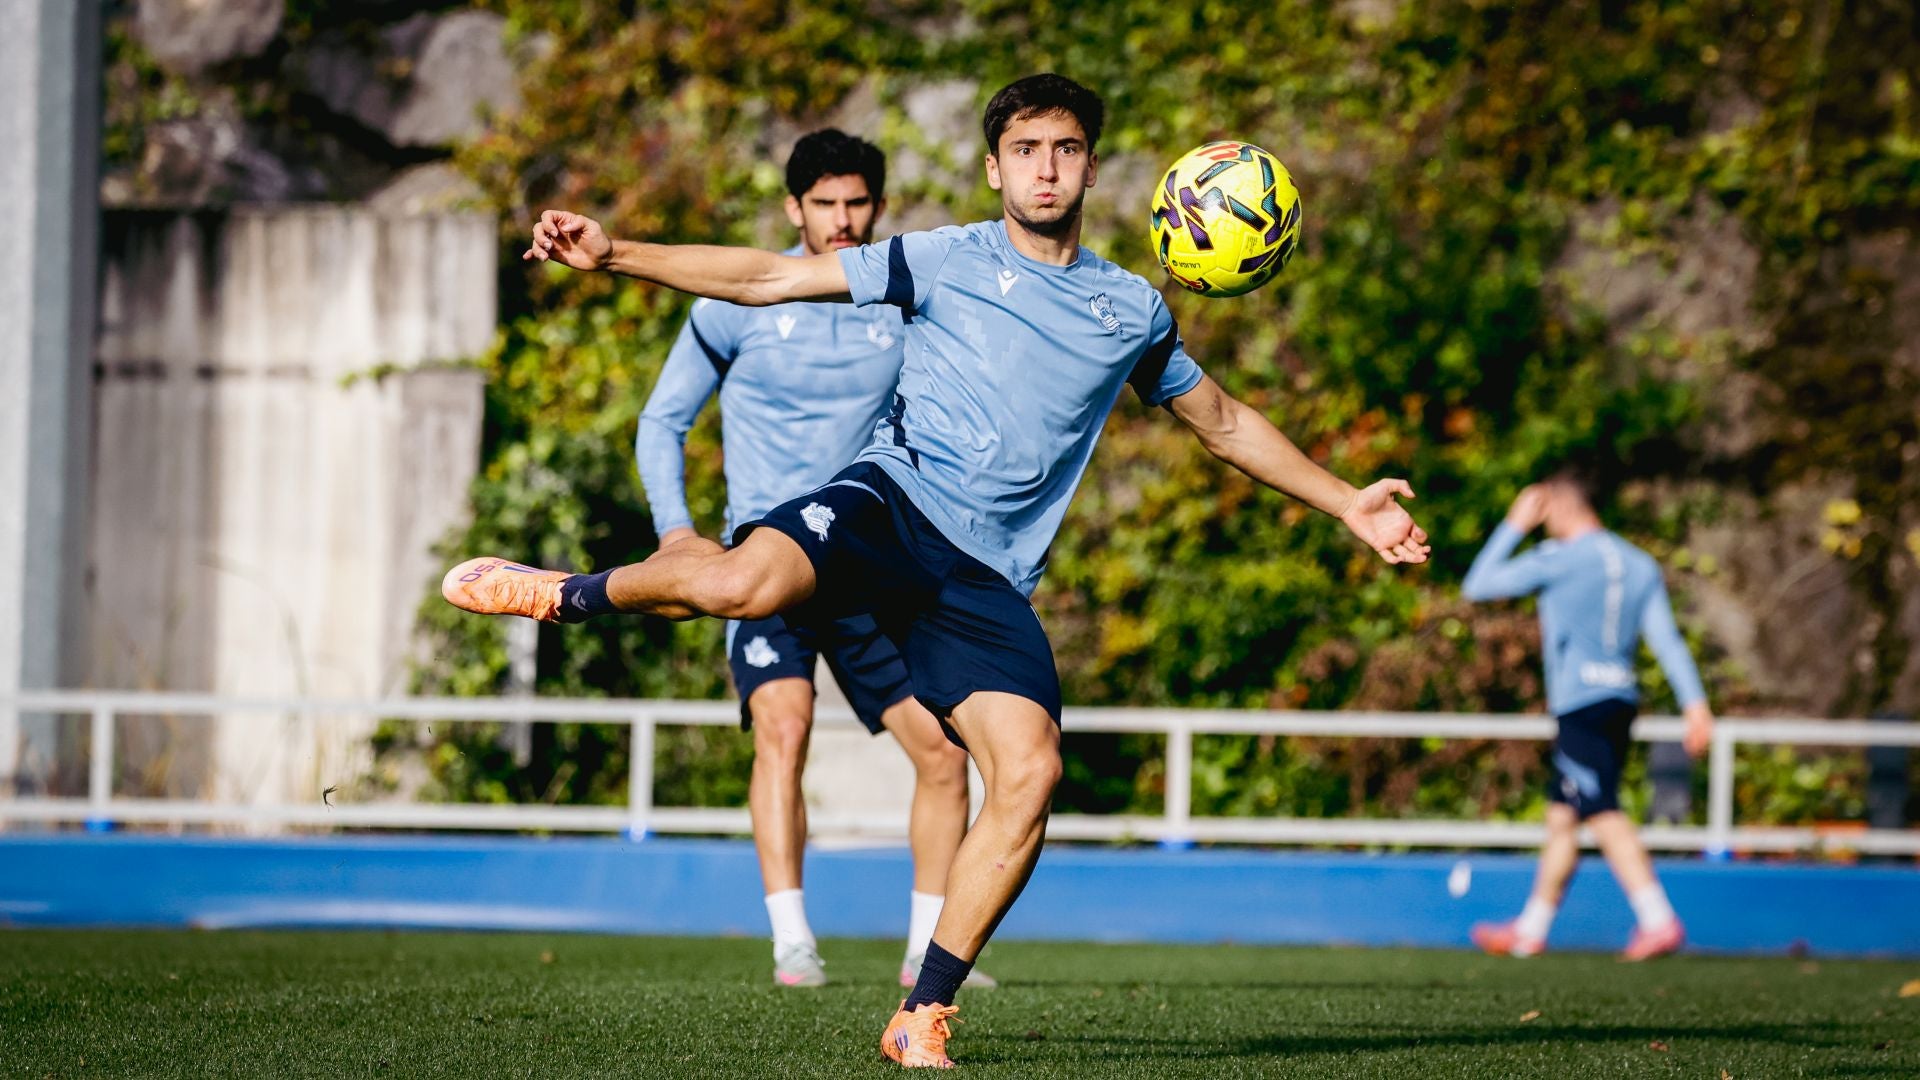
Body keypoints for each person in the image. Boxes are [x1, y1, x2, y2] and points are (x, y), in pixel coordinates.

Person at [445, 73, 1429, 1067]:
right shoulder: (943, 257)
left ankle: (922, 1013)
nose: (1047, 168)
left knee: (1030, 771)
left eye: (1068, 149)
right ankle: (563, 593)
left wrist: (1347, 500)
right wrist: (617, 255)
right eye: (1028, 149)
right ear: (994, 164)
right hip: (890, 503)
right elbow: (768, 279)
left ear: (1092, 165)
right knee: (747, 583)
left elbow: (1221, 424)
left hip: (981, 576)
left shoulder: (1130, 311)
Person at [635, 128, 993, 991]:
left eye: (857, 202)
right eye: (824, 203)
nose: (842, 219)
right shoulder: (733, 305)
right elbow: (661, 423)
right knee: (783, 731)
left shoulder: (903, 304)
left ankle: (925, 950)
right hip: (764, 559)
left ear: (878, 206)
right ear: (794, 208)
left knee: (945, 754)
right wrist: (677, 531)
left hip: (868, 559)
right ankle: (792, 940)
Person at [1462, 463, 1715, 961]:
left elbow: (1478, 585)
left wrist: (1514, 524)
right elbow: (1665, 639)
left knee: (1602, 812)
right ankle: (1530, 931)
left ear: (1554, 503)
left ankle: (1657, 919)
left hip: (1579, 702)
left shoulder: (1559, 557)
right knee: (1564, 817)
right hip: (1620, 702)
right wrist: (1695, 704)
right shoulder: (1639, 562)